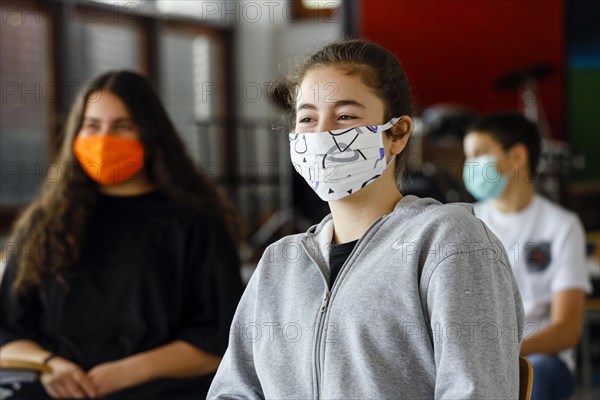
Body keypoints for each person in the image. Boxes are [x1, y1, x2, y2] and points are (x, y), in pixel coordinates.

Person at [208, 39, 524, 399]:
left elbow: (476, 391)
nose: (322, 134)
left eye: (345, 117)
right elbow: (233, 390)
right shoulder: (280, 262)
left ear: (398, 133)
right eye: (308, 118)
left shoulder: (447, 240)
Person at [0, 71, 244, 399]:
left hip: (159, 390)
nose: (104, 139)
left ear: (151, 134)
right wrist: (51, 365)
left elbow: (218, 339)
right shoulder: (45, 224)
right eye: (92, 125)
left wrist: (121, 375)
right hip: (54, 387)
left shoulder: (197, 225)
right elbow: (9, 330)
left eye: (122, 126)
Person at [462, 111, 592, 400]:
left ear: (517, 155)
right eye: (468, 157)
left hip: (541, 359)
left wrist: (501, 350)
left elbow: (567, 330)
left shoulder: (561, 226)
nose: (470, 166)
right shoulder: (465, 222)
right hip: (473, 358)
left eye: (480, 154)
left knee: (535, 378)